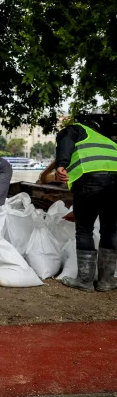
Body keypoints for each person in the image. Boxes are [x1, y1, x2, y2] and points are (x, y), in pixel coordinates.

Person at [54, 121, 117, 292]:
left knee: (84, 230)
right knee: (110, 229)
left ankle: (85, 281)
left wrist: (61, 164)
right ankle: (107, 281)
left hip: (90, 180)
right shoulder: (107, 142)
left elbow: (66, 138)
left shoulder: (76, 129)